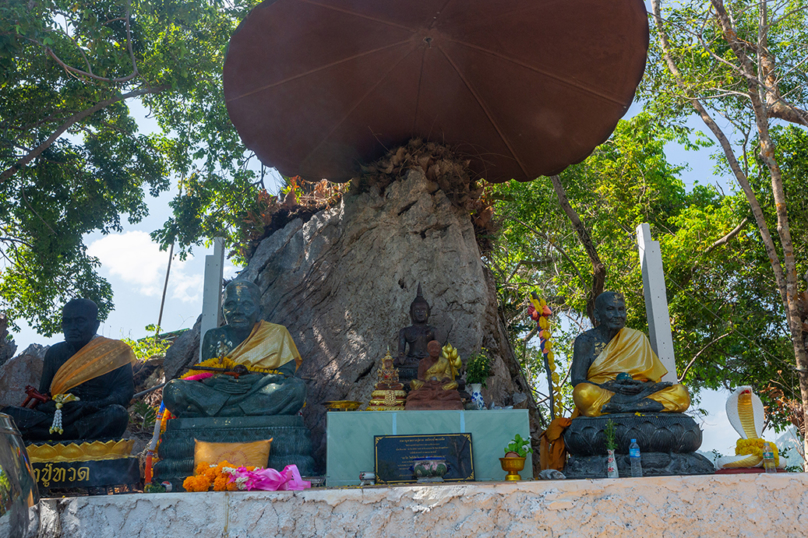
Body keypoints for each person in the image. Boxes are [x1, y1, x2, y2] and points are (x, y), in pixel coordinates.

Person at [163, 280, 306, 417]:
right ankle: (244, 412)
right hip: (219, 393)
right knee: (173, 389)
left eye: (247, 305)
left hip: (257, 391)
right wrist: (216, 381)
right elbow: (206, 375)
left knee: (296, 388)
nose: (238, 311)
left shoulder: (277, 333)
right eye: (230, 305)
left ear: (260, 311)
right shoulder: (214, 336)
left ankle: (223, 412)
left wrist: (255, 380)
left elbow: (286, 376)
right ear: (223, 309)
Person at [3, 299, 135, 441]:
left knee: (117, 414)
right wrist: (54, 406)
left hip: (91, 415)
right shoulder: (55, 352)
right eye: (67, 322)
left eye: (79, 321)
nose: (72, 327)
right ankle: (66, 435)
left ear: (95, 325)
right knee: (8, 414)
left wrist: (88, 406)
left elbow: (123, 395)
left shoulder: (114, 353)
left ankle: (54, 436)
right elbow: (43, 395)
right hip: (58, 416)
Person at [570, 292, 690, 417]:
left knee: (681, 393)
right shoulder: (586, 340)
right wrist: (609, 386)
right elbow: (577, 380)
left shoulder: (637, 338)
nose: (618, 315)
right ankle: (636, 408)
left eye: (621, 309)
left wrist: (642, 386)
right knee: (582, 392)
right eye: (611, 310)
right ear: (597, 315)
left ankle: (625, 408)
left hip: (638, 395)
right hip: (606, 394)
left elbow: (651, 382)